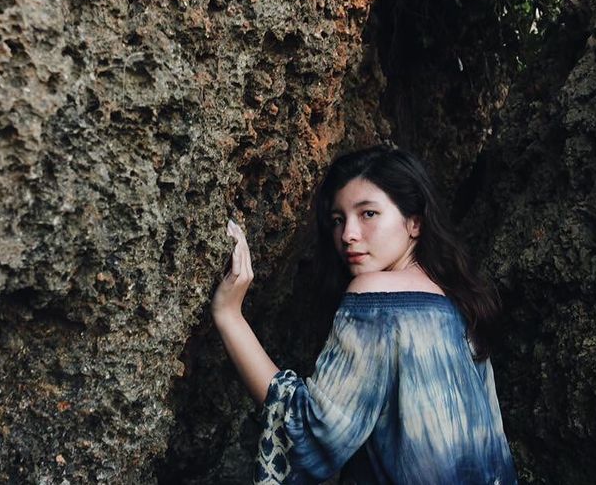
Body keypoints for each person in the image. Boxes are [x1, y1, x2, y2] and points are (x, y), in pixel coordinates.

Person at [211, 145, 518, 484]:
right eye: (337, 220)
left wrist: (229, 315)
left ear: (414, 222)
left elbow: (311, 431)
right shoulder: (459, 300)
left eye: (368, 213)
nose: (348, 235)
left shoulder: (376, 297)